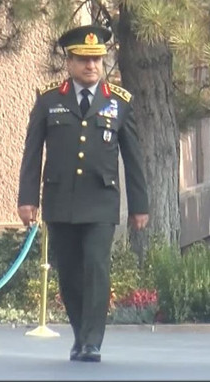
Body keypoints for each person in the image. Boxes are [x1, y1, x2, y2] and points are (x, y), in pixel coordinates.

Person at [17, 24, 150, 363]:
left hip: (101, 201)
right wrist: (27, 198)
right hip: (61, 201)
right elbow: (32, 152)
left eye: (97, 60)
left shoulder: (118, 102)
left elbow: (134, 158)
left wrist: (140, 205)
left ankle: (93, 341)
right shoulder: (49, 100)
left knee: (96, 268)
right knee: (71, 273)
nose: (91, 66)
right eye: (83, 60)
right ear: (69, 62)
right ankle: (80, 334)